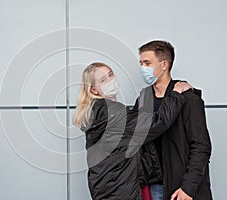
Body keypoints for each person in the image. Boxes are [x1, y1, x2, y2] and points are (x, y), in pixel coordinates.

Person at [73, 62, 191, 200]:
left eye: (110, 74)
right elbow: (157, 123)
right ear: (94, 90)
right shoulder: (112, 113)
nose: (111, 80)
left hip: (107, 188)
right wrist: (176, 93)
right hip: (119, 191)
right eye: (103, 80)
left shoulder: (98, 112)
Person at [138, 40, 212, 200]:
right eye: (141, 63)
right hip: (152, 187)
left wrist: (188, 188)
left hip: (182, 188)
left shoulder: (189, 99)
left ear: (164, 65)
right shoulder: (144, 99)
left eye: (147, 63)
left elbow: (201, 147)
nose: (143, 68)